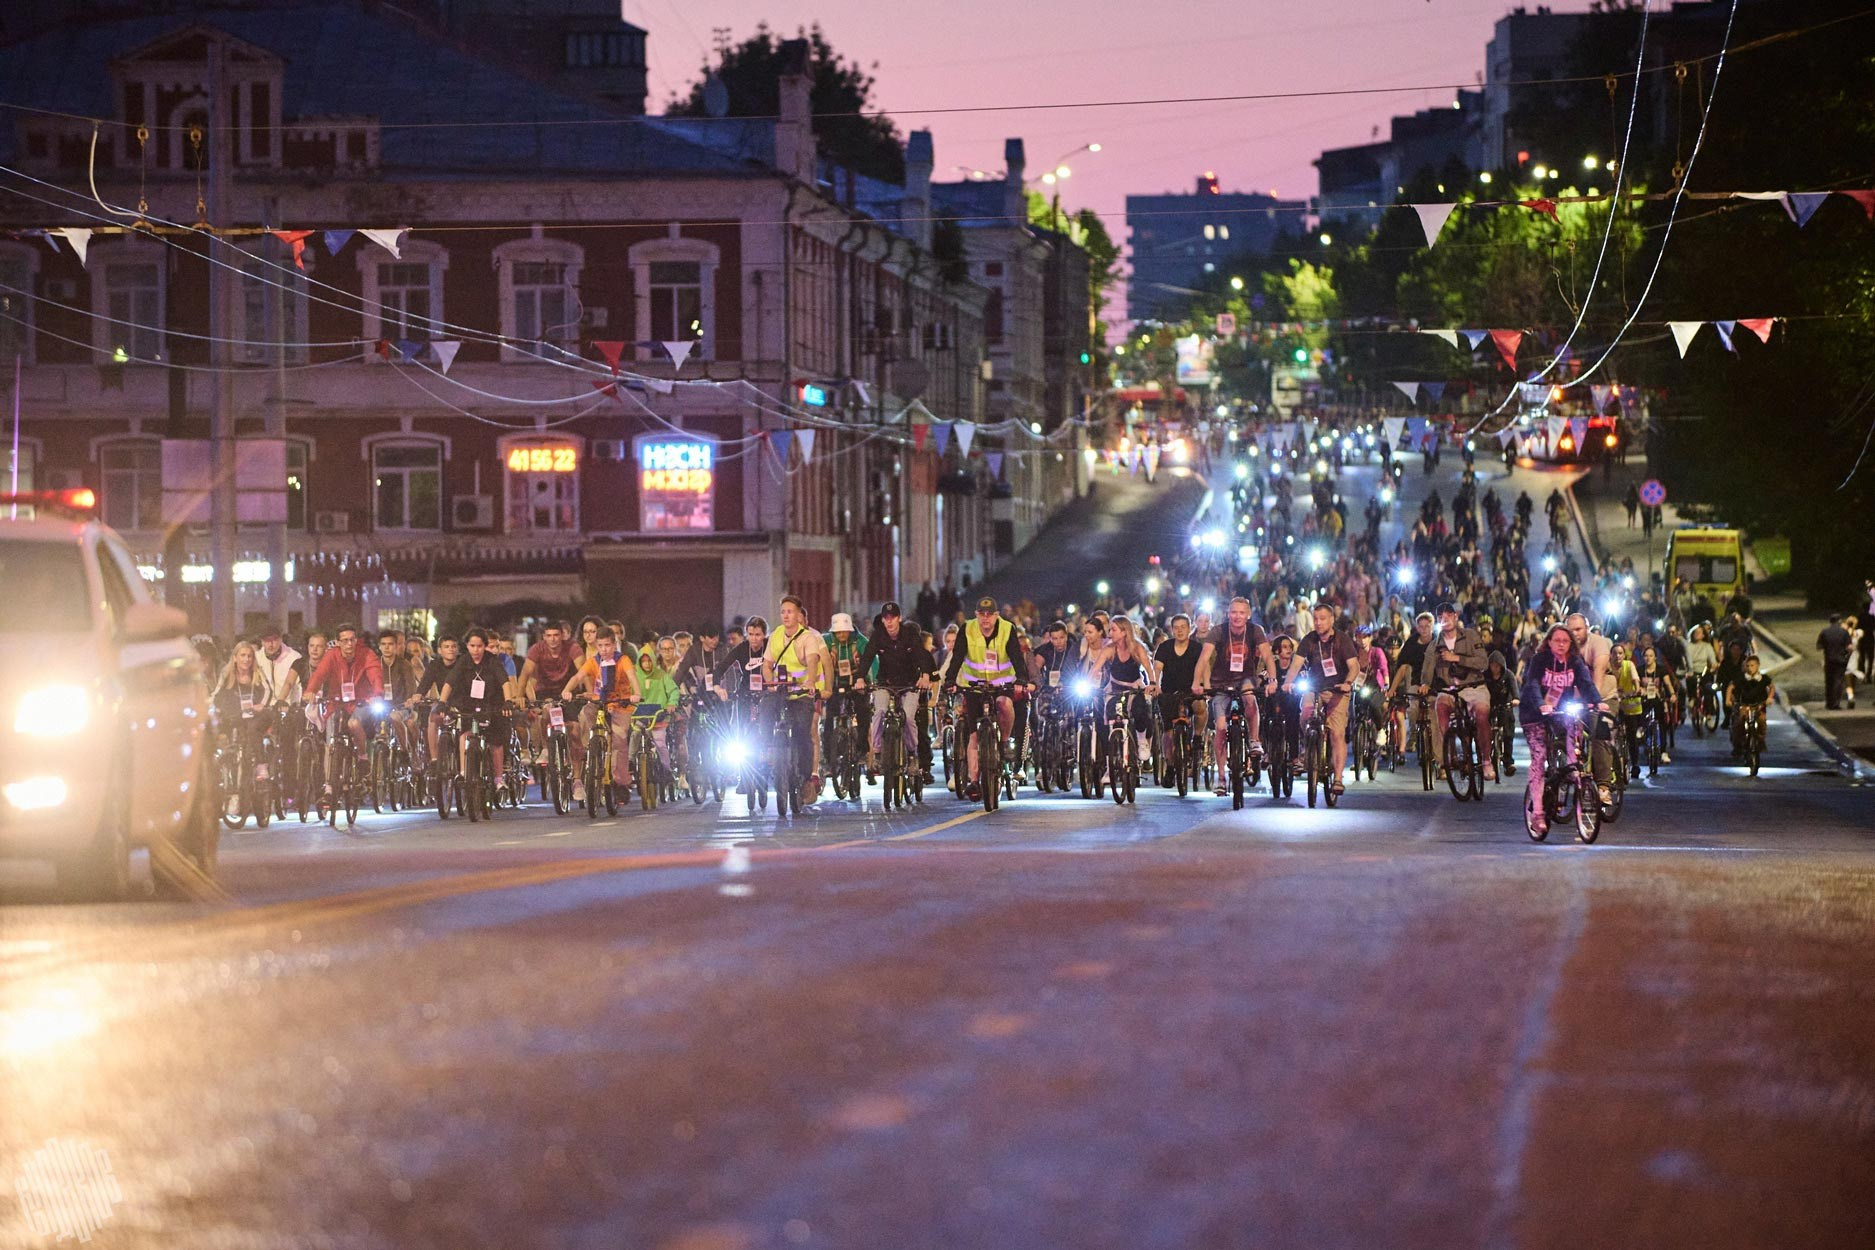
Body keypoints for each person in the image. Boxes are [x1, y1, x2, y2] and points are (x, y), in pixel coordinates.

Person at [941, 596, 1029, 801]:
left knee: (1004, 704)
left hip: (1002, 685)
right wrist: (951, 679)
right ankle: (974, 781)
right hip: (975, 687)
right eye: (982, 614)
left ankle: (1005, 741)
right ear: (976, 615)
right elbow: (958, 656)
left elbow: (1016, 656)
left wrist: (1022, 678)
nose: (985, 619)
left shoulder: (1007, 629)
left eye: (990, 614)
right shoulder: (967, 629)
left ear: (997, 616)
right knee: (973, 735)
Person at [1519, 624, 1600, 836]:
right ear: (1549, 642)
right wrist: (1540, 704)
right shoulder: (1539, 660)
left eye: (1566, 641)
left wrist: (1597, 702)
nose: (1562, 645)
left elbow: (1585, 683)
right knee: (1539, 755)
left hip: (1560, 711)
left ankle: (1572, 768)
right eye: (1557, 641)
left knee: (1575, 725)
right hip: (1534, 713)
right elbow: (1532, 684)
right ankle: (1537, 812)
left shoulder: (1575, 662)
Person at [1193, 596, 1273, 797]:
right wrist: (1197, 682)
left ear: (1248, 615)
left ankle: (1254, 740)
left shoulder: (1255, 631)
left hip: (1245, 678)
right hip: (1221, 682)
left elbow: (1268, 655)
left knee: (1249, 698)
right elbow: (1204, 657)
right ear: (1228, 614)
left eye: (1241, 612)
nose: (1237, 616)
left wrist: (1272, 679)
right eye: (1233, 612)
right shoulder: (1218, 631)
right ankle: (1221, 778)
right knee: (1220, 728)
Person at [1285, 601, 1362, 795]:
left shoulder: (1342, 640)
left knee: (1336, 733)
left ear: (1331, 620)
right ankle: (1309, 747)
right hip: (1314, 687)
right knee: (1305, 714)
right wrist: (1288, 682)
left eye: (1322, 619)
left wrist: (1348, 683)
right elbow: (1296, 664)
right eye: (1315, 619)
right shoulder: (1309, 640)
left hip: (1337, 689)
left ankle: (1337, 779)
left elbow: (1354, 666)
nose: (1318, 623)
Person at [302, 622, 387, 798]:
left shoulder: (367, 654)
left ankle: (363, 757)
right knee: (330, 743)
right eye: (345, 640)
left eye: (352, 640)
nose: (349, 644)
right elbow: (319, 675)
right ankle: (328, 787)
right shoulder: (331, 656)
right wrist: (310, 691)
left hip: (361, 702)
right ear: (338, 642)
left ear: (356, 640)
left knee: (354, 723)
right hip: (337, 703)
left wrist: (377, 693)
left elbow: (375, 674)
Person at [855, 601, 936, 783]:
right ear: (883, 620)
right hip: (886, 683)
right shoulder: (879, 636)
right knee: (879, 712)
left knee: (908, 717)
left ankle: (913, 755)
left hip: (909, 684)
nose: (889, 622)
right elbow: (867, 657)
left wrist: (924, 675)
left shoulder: (910, 635)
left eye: (892, 618)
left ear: (899, 619)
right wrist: (860, 678)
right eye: (886, 618)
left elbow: (921, 655)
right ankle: (876, 753)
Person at [763, 595, 829, 805]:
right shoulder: (775, 635)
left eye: (790, 612)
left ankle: (807, 779)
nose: (786, 615)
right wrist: (770, 682)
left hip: (801, 694)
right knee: (765, 709)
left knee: (803, 733)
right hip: (781, 692)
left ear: (799, 614)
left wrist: (811, 681)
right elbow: (767, 664)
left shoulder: (808, 637)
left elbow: (812, 661)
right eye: (783, 612)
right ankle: (767, 749)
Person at [561, 628, 639, 803]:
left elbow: (632, 677)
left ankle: (621, 783)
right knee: (584, 713)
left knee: (619, 740)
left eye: (608, 645)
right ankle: (590, 748)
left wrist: (636, 694)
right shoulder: (593, 662)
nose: (604, 649)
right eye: (601, 645)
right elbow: (578, 676)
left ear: (614, 644)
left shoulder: (623, 660)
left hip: (620, 705)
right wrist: (566, 691)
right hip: (599, 704)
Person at [1418, 602, 1494, 782]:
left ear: (1455, 617)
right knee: (1440, 707)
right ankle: (1450, 754)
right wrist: (1425, 684)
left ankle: (1486, 760)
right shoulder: (1435, 644)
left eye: (1448, 616)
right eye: (1441, 617)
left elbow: (1483, 663)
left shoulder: (1470, 635)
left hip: (1474, 686)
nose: (1445, 620)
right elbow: (1427, 668)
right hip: (1450, 689)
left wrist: (1457, 658)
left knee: (1482, 713)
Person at [438, 627, 514, 798]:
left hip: (491, 704)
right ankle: (464, 773)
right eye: (472, 646)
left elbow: (504, 681)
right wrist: (442, 703)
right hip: (469, 705)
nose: (476, 650)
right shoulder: (464, 661)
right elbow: (449, 682)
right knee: (464, 735)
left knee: (495, 741)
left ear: (485, 646)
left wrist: (508, 701)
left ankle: (498, 778)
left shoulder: (492, 661)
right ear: (467, 646)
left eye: (479, 646)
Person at [1151, 613, 1205, 772]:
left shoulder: (1197, 648)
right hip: (1169, 691)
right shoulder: (1165, 648)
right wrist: (1156, 685)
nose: (1180, 631)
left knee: (1201, 707)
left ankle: (1197, 737)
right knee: (1167, 730)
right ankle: (1169, 764)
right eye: (1176, 628)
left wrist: (1204, 685)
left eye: (1183, 627)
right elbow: (1157, 668)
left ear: (1189, 629)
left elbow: (1203, 668)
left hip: (1192, 690)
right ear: (1172, 630)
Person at [821, 611, 869, 777]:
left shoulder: (860, 641)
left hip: (857, 683)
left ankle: (862, 750)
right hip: (833, 684)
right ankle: (828, 760)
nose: (841, 635)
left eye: (844, 631)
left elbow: (873, 660)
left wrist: (871, 681)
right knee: (829, 720)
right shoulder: (825, 641)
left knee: (863, 711)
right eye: (838, 632)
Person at [1727, 653, 1775, 760]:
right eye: (1748, 666)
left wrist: (1769, 698)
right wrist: (1728, 699)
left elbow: (1771, 687)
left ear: (1758, 665)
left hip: (1759, 706)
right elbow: (1731, 687)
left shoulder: (1763, 678)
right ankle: (1738, 746)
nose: (1750, 668)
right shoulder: (1742, 678)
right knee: (1738, 724)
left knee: (1762, 721)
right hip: (1744, 705)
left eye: (1752, 665)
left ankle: (1760, 741)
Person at [258, 628, 303, 705]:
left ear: (280, 640)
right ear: (262, 642)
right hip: (265, 706)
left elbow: (295, 685)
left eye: (274, 639)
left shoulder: (294, 657)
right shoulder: (257, 658)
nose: (271, 644)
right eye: (267, 640)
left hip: (289, 705)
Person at [1818, 613, 1853, 711]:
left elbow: (1819, 647)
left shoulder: (1824, 632)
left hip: (1829, 660)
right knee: (1838, 681)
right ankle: (1835, 704)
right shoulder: (1844, 632)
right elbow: (1850, 648)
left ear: (1830, 621)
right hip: (1841, 660)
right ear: (1839, 621)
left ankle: (1829, 703)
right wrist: (1847, 657)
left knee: (1829, 682)